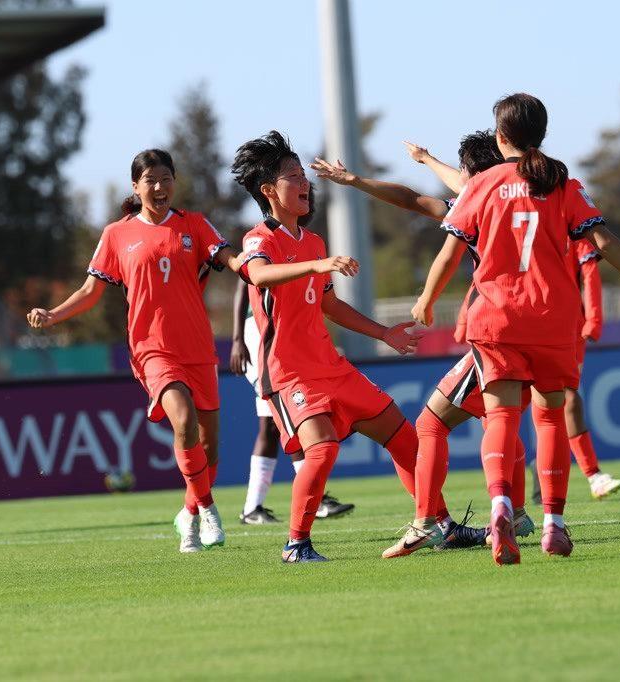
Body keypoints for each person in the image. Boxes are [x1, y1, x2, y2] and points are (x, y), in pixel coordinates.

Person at [434, 94, 620, 565]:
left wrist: (425, 299)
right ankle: (554, 524)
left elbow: (452, 249)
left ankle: (501, 505)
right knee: (549, 418)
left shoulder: (482, 184)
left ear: (500, 139)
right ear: (542, 134)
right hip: (553, 320)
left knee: (500, 417)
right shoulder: (560, 181)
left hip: (497, 319)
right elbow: (604, 239)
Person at [28, 149, 242, 554]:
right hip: (152, 347)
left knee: (210, 444)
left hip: (197, 346)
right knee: (183, 420)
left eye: (166, 179)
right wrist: (53, 315)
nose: (160, 188)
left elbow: (227, 257)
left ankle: (188, 516)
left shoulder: (193, 225)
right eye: (151, 181)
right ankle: (209, 509)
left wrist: (249, 261)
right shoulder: (117, 234)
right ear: (136, 186)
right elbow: (91, 291)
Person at [310, 131, 504, 554]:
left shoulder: (472, 208)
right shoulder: (533, 196)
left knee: (433, 423)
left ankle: (436, 522)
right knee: (511, 418)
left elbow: (414, 201)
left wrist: (357, 181)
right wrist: (428, 159)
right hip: (549, 326)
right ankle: (523, 511)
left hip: (499, 326)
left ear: (476, 176)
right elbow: (447, 188)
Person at [231, 131, 420, 562]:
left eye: (304, 176)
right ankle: (296, 544)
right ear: (268, 191)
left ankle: (436, 521)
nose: (304, 184)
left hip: (330, 366)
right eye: (293, 177)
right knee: (323, 450)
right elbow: (258, 276)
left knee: (403, 435)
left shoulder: (313, 242)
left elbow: (330, 305)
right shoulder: (259, 239)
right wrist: (316, 264)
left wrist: (383, 334)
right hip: (289, 373)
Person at [230, 277, 355, 524]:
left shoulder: (297, 245)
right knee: (287, 413)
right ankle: (313, 500)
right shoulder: (261, 241)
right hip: (257, 330)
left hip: (276, 328)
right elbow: (242, 286)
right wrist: (237, 339)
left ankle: (253, 508)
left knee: (271, 425)